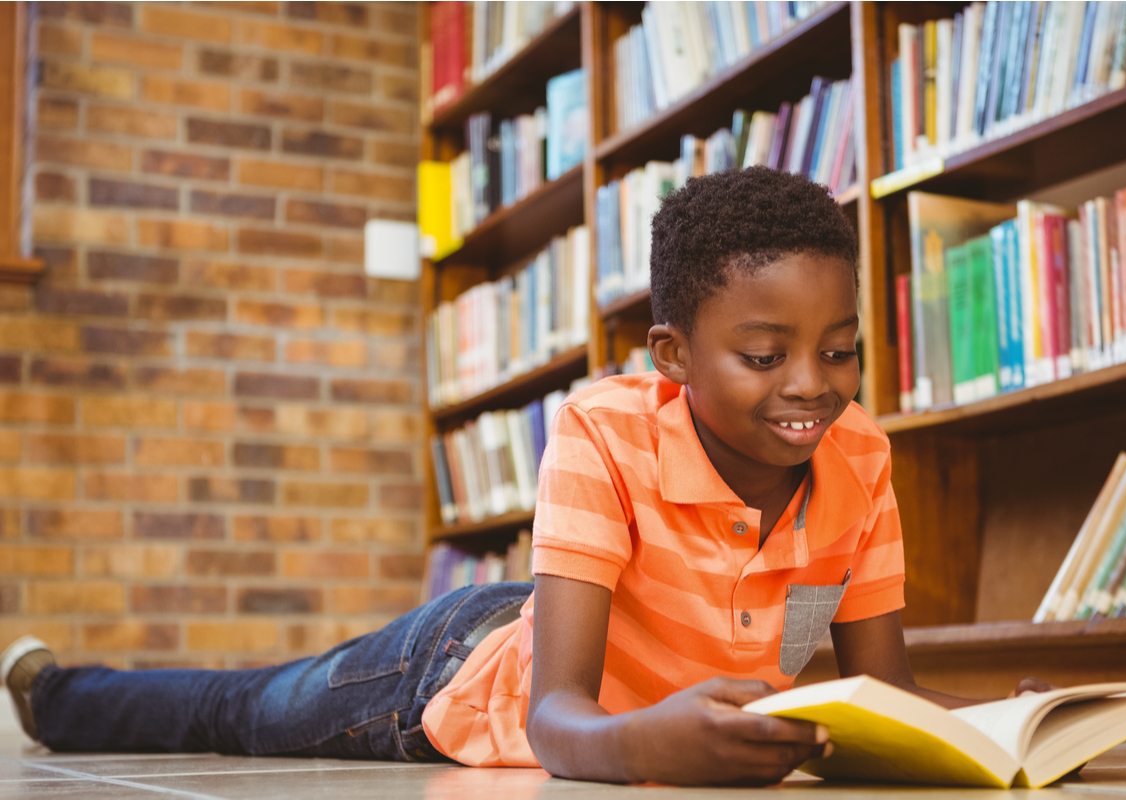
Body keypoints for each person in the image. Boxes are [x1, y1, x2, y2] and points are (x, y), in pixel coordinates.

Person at [1, 168, 1042, 786]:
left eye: (841, 348)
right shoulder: (605, 429)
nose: (811, 387)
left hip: (576, 637)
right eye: (765, 356)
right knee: (245, 709)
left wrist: (1019, 717)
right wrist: (648, 740)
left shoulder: (860, 456)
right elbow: (557, 716)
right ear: (671, 354)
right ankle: (53, 692)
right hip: (460, 669)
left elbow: (890, 691)